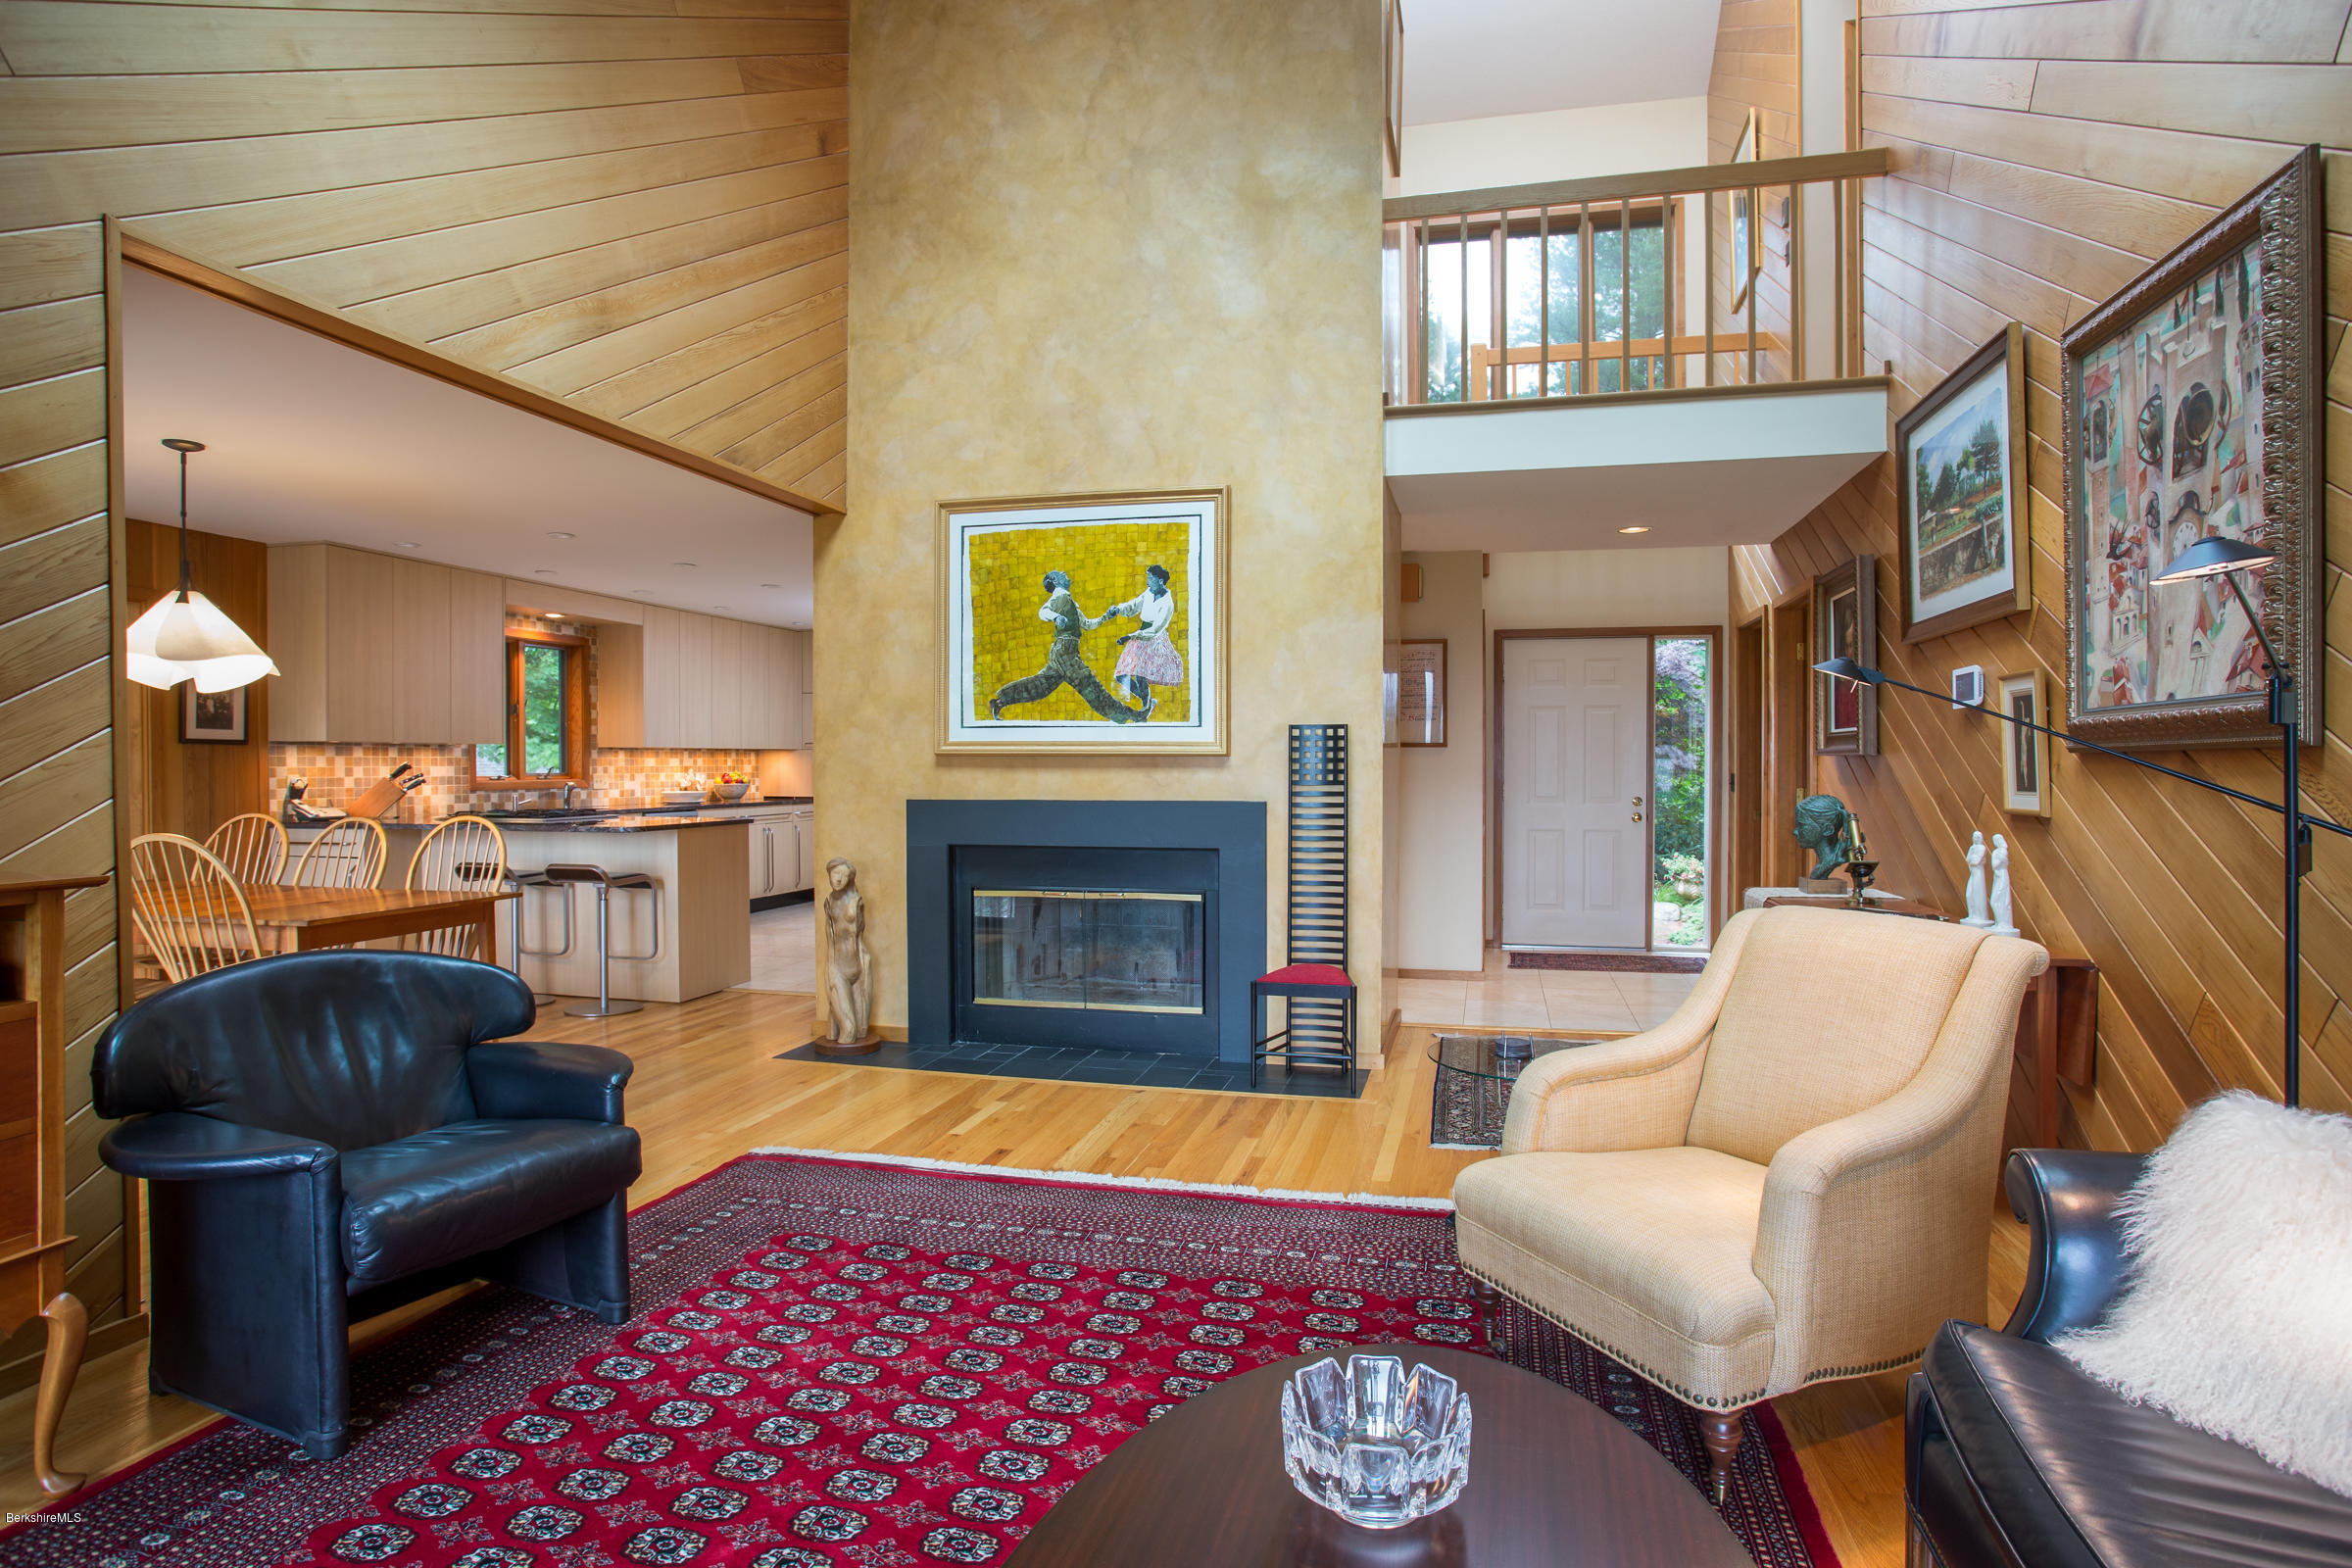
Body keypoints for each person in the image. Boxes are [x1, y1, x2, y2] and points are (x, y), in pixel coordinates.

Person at [987, 570, 1141, 723]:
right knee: (1090, 686)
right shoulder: (1060, 596)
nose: (1065, 574)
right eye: (1061, 574)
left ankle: (1000, 702)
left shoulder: (1069, 600)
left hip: (1062, 651)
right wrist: (1056, 617)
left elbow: (1087, 624)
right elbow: (1043, 611)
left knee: (1040, 687)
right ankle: (1129, 715)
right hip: (1066, 652)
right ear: (1055, 580)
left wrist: (1106, 616)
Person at [1101, 564, 1184, 718]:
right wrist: (1118, 609)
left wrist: (1129, 637)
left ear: (1160, 581)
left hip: (1154, 640)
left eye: (1150, 579)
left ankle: (1145, 708)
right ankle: (1148, 702)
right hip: (1139, 638)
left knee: (1140, 675)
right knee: (1121, 675)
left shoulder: (1167, 603)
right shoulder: (1149, 593)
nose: (1147, 582)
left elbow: (1155, 630)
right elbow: (1134, 605)